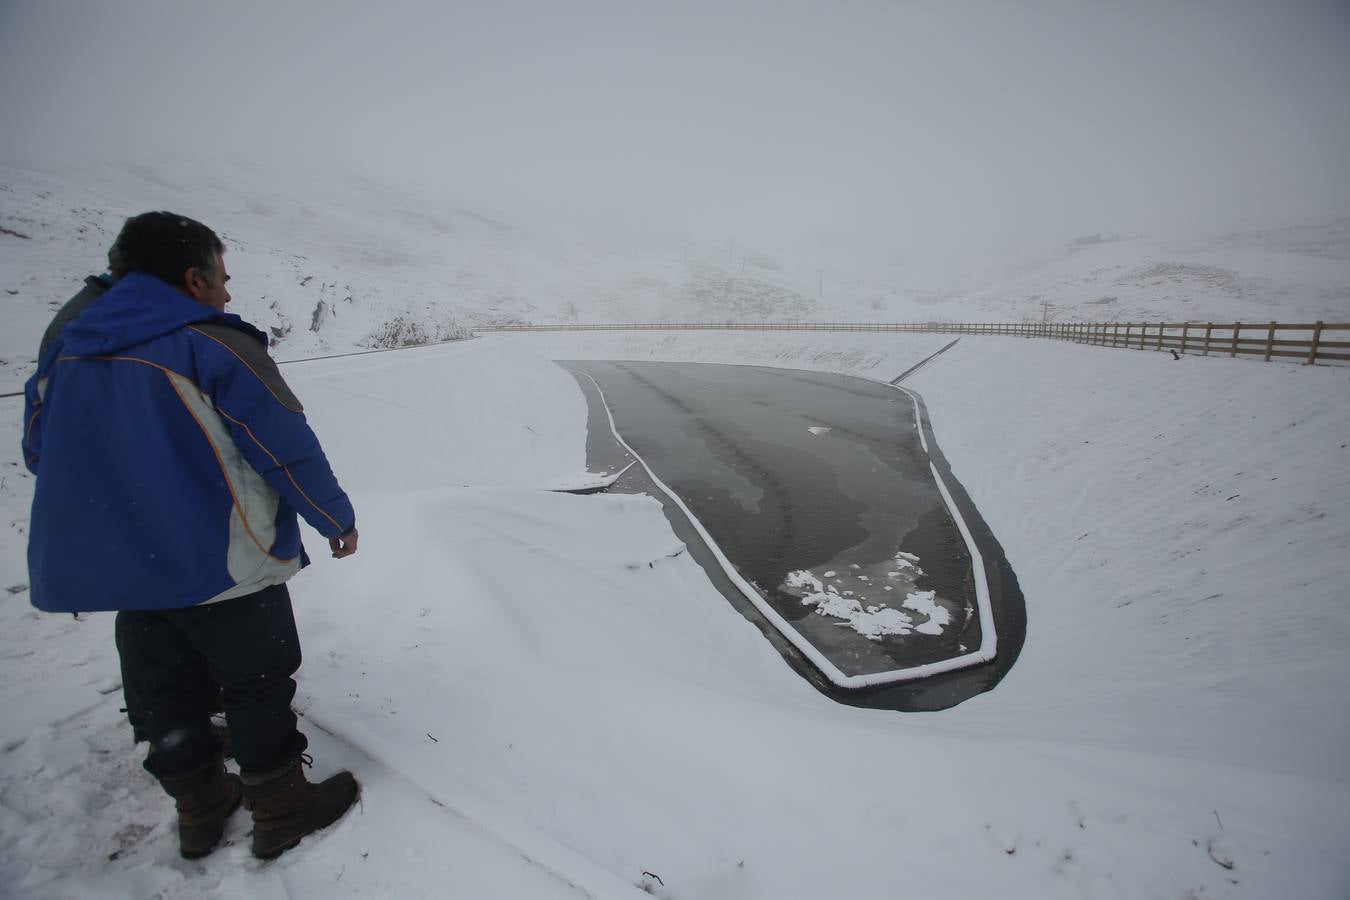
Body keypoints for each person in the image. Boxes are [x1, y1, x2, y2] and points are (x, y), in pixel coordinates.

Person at [22, 211, 361, 860]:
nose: (228, 293)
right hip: (221, 561)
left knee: (164, 689)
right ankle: (281, 809)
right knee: (257, 680)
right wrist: (335, 519)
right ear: (192, 278)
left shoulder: (69, 346)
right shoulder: (211, 344)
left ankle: (201, 809)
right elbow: (284, 446)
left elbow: (42, 450)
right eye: (222, 278)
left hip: (127, 565)